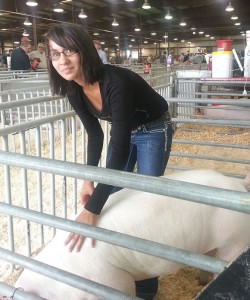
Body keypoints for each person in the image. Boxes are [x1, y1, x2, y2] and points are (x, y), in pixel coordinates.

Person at [45, 23, 173, 300]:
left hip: (153, 128)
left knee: (145, 199)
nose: (63, 61)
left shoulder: (115, 82)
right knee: (114, 196)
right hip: (126, 129)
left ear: (85, 51)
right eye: (55, 54)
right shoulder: (73, 89)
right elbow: (94, 135)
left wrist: (92, 208)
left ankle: (148, 286)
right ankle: (120, 263)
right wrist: (88, 180)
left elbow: (119, 146)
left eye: (69, 51)